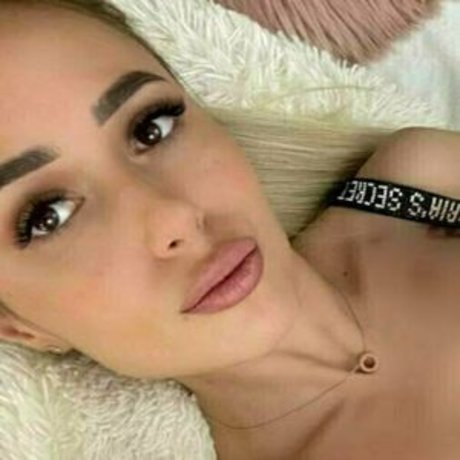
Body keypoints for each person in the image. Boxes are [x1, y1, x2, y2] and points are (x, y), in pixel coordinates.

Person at [0, 1, 459, 459]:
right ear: (17, 326)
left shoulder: (422, 186)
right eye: (49, 216)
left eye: (151, 127)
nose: (174, 217)